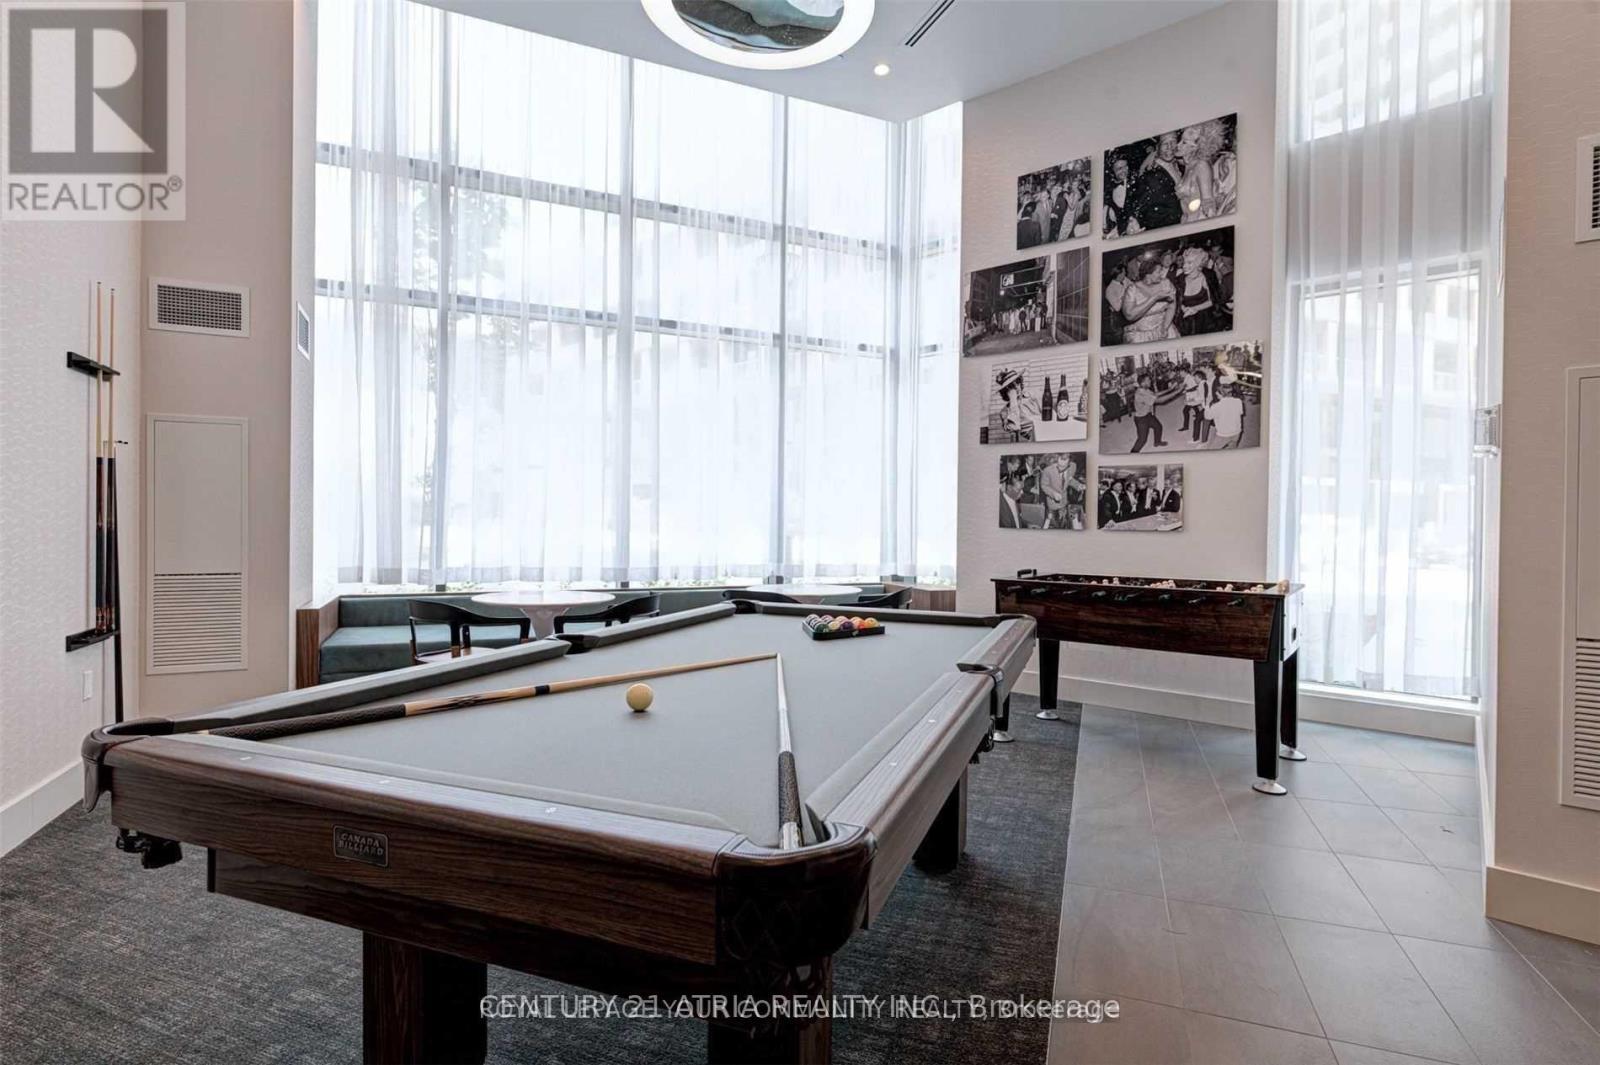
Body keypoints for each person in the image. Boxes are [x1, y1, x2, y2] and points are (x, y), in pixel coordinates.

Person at [1174, 118, 1233, 223]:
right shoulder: (1188, 164)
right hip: (1186, 221)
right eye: (1180, 140)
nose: (1178, 145)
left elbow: (1208, 204)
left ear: (1195, 147)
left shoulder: (1201, 166)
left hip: (1198, 221)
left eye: (1184, 143)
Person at [1120, 252, 1178, 344]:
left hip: (1163, 327)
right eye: (1159, 272)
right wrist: (1154, 298)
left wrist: (1165, 327)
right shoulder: (1133, 289)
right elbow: (1130, 315)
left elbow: (1172, 306)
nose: (1162, 274)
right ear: (1148, 274)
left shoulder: (1166, 284)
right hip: (1140, 334)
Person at [1131, 132, 1183, 232]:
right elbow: (1140, 208)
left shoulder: (1179, 165)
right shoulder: (1152, 176)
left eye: (1173, 142)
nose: (1169, 147)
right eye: (1165, 143)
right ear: (1158, 147)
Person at [1176, 245, 1226, 337]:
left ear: (1198, 263)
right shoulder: (1180, 279)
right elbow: (1177, 300)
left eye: (1189, 263)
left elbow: (1214, 299)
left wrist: (1195, 309)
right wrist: (1183, 308)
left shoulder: (1208, 276)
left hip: (1205, 320)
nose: (1184, 266)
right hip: (1186, 320)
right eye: (1184, 262)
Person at [1130, 374, 1167, 453]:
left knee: (1158, 427)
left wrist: (1171, 389)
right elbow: (1161, 400)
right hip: (1141, 419)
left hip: (1148, 415)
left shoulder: (1146, 389)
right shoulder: (1140, 394)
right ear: (1143, 383)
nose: (1150, 381)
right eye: (1148, 380)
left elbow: (1156, 395)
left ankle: (1157, 442)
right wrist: (1177, 391)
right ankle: (1132, 455)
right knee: (1142, 440)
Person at [1206, 382, 1246, 449]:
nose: (1215, 393)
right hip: (1237, 433)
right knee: (1232, 449)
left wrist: (1207, 405)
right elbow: (1240, 413)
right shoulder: (1239, 401)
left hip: (1223, 435)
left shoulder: (1216, 406)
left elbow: (1207, 416)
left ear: (1221, 394)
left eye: (1217, 392)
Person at [1104, 155, 1134, 237]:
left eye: (1126, 166)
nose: (1124, 170)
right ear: (1112, 171)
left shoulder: (1135, 184)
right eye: (1119, 168)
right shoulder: (1109, 192)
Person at [1040, 453, 1068, 529]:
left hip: (1063, 504)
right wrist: (1053, 494)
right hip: (1052, 505)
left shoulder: (1067, 468)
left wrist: (1078, 485)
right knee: (1052, 525)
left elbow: (1069, 480)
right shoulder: (1047, 471)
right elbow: (1044, 486)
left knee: (1063, 525)